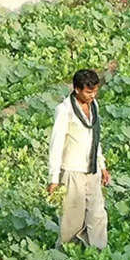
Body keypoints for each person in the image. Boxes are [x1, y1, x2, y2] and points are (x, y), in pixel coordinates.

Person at [47, 69, 110, 249]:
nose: (92, 95)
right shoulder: (64, 110)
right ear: (76, 89)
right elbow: (56, 144)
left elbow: (95, 138)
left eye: (95, 91)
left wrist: (102, 165)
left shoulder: (94, 106)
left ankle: (98, 250)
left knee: (98, 214)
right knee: (72, 216)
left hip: (92, 169)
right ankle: (67, 252)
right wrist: (54, 178)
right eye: (88, 92)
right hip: (72, 169)